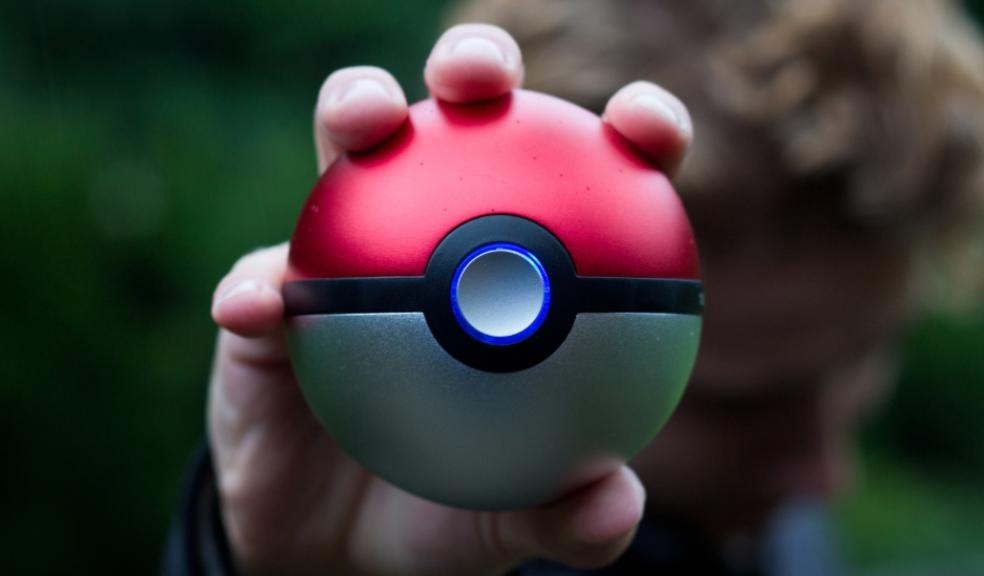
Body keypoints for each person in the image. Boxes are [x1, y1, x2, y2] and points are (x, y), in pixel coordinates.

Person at [166, 0, 984, 574]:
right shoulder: (415, 522)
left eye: (857, 365)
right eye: (745, 406)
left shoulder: (757, 527)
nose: (825, 475)